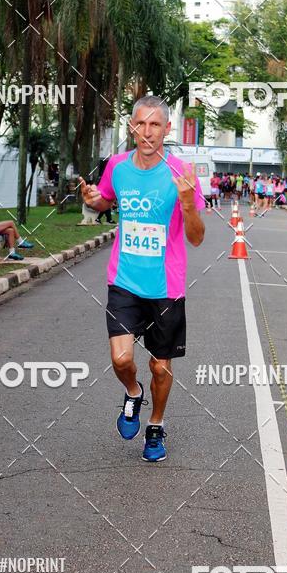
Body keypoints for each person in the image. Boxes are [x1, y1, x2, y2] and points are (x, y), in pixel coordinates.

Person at [79, 95, 205, 462]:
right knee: (121, 360)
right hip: (125, 281)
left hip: (167, 287)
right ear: (131, 127)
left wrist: (185, 201)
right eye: (140, 124)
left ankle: (156, 425)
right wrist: (91, 199)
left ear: (167, 129)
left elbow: (196, 237)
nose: (147, 132)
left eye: (155, 125)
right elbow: (105, 201)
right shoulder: (117, 167)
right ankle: (133, 393)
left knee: (161, 367)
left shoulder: (183, 174)